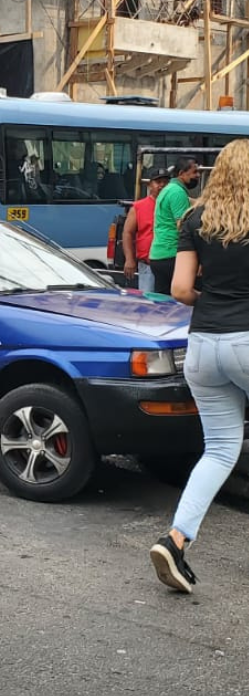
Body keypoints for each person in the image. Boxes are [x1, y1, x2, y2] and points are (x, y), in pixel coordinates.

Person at [149, 140, 249, 594]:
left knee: (220, 451)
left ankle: (175, 540)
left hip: (204, 345)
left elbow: (180, 289)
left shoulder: (195, 219)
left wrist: (215, 301)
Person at [149, 156, 201, 295]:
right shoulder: (177, 192)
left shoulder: (169, 189)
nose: (198, 176)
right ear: (181, 173)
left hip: (158, 255)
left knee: (163, 303)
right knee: (190, 295)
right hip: (172, 255)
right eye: (194, 172)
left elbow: (193, 203)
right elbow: (183, 227)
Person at [120, 167, 170, 292]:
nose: (162, 185)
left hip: (170, 264)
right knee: (148, 300)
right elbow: (127, 233)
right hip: (147, 265)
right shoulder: (138, 207)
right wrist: (129, 259)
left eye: (165, 182)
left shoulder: (174, 205)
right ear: (149, 185)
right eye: (158, 182)